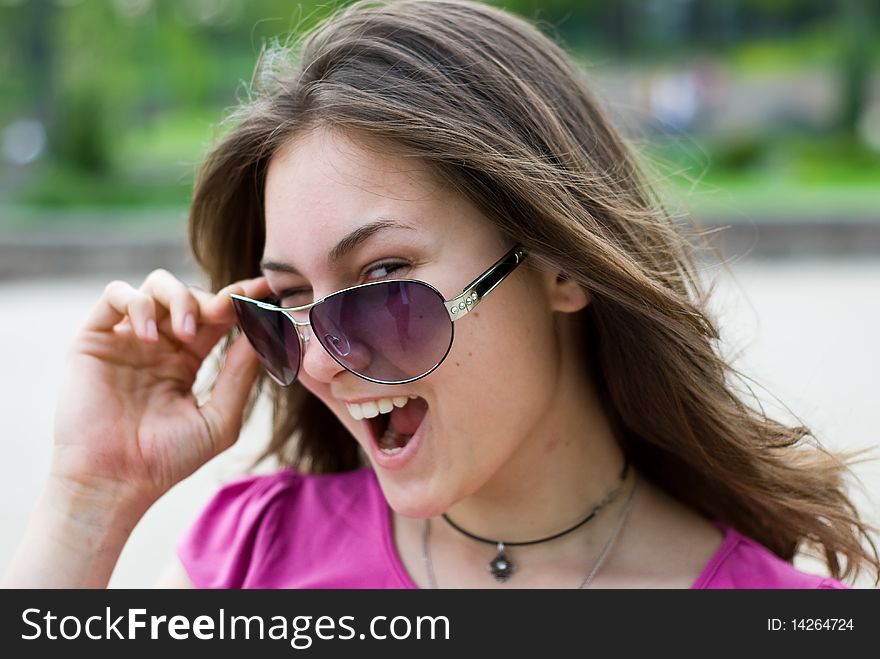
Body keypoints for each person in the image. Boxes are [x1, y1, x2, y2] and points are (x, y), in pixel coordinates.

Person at [3, 0, 877, 590]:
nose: (321, 359)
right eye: (289, 301)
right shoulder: (262, 554)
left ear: (561, 265)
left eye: (383, 279)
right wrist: (92, 494)